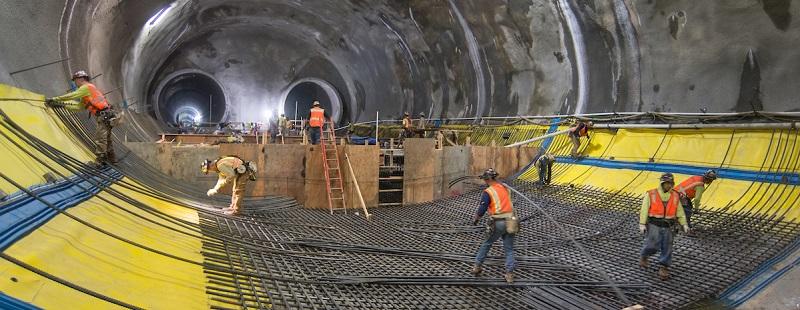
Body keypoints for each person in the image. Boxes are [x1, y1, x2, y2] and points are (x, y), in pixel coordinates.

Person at [46, 70, 118, 164]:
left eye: (75, 80)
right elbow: (79, 107)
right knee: (106, 139)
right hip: (106, 116)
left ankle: (100, 161)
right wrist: (63, 105)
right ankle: (113, 159)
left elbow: (72, 95)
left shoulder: (86, 87)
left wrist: (54, 99)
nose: (75, 83)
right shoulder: (88, 92)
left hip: (104, 116)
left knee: (101, 138)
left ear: (81, 79)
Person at [639, 172, 689, 280]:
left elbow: (679, 211)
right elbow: (644, 209)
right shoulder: (651, 194)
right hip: (654, 224)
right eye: (666, 183)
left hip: (669, 226)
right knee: (652, 244)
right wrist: (642, 223)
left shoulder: (675, 195)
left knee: (667, 246)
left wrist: (684, 224)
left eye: (670, 183)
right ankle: (644, 255)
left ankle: (664, 267)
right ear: (662, 183)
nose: (668, 185)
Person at [471, 168, 517, 283]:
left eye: (485, 179)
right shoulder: (505, 188)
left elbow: (482, 209)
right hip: (511, 220)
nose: (485, 182)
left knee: (487, 243)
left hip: (498, 222)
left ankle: (477, 266)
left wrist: (476, 219)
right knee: (509, 249)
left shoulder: (489, 191)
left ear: (488, 179)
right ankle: (510, 274)